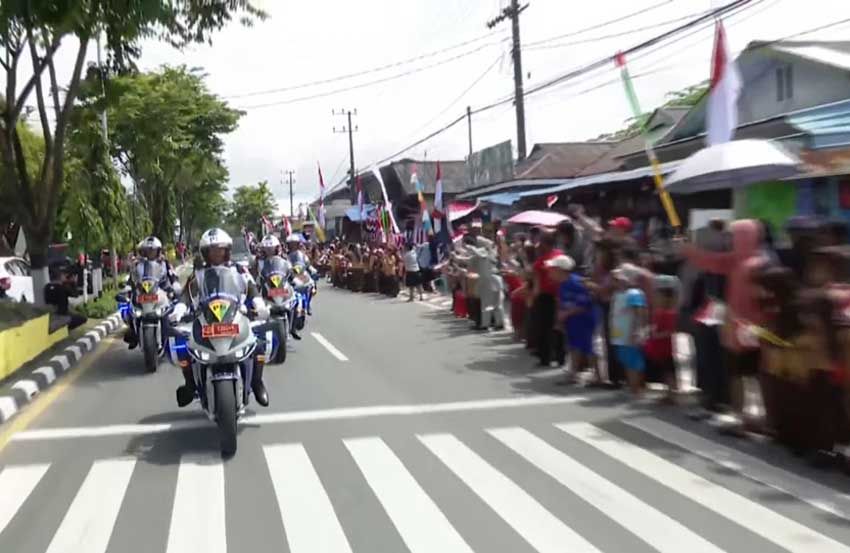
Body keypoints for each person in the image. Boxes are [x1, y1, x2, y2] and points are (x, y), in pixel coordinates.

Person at [680, 219, 770, 435]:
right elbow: (709, 261)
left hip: (752, 330)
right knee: (742, 374)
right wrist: (689, 249)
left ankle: (757, 418)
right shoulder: (740, 261)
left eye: (734, 236)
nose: (729, 240)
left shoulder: (756, 264)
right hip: (741, 329)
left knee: (752, 374)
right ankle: (745, 418)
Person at [171, 228, 270, 408]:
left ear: (227, 251)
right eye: (212, 250)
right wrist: (179, 310)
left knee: (259, 343)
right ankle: (190, 384)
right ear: (205, 253)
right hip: (205, 319)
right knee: (182, 347)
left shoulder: (239, 270)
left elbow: (252, 287)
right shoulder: (198, 274)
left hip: (234, 316)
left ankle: (257, 382)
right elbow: (187, 294)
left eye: (220, 249)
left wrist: (259, 305)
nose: (217, 253)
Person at [551, 254, 600, 386]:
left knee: (589, 347)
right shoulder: (562, 285)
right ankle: (573, 374)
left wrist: (566, 314)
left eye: (553, 269)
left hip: (584, 320)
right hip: (572, 321)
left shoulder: (577, 283)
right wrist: (560, 320)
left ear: (561, 270)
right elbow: (562, 303)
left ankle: (598, 376)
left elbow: (584, 304)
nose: (550, 272)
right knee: (573, 347)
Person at [123, 236, 177, 349]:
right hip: (142, 293)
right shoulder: (137, 264)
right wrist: (127, 287)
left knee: (170, 311)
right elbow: (132, 278)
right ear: (143, 251)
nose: (150, 253)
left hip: (161, 291)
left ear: (158, 251)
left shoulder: (164, 263)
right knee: (130, 311)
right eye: (147, 250)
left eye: (153, 250)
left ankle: (168, 332)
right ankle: (133, 334)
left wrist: (174, 286)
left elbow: (172, 275)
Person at [610, 264, 649, 396]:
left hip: (630, 333)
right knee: (625, 358)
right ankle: (631, 385)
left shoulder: (634, 294)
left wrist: (637, 330)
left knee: (633, 361)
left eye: (619, 278)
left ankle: (636, 388)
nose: (616, 281)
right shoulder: (617, 294)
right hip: (619, 332)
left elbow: (639, 313)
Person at [531, 232, 565, 367]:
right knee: (558, 326)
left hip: (546, 297)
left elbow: (537, 284)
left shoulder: (540, 262)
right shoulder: (560, 255)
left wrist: (534, 297)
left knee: (545, 327)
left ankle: (545, 357)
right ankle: (560, 357)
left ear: (545, 243)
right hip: (561, 295)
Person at [645, 275, 680, 403]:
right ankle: (668, 393)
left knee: (668, 371)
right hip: (658, 348)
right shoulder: (658, 312)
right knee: (664, 372)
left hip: (665, 348)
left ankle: (672, 394)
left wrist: (656, 335)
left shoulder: (669, 313)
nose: (656, 299)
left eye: (659, 296)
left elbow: (670, 331)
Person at [44, 265, 88, 331]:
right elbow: (75, 295)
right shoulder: (63, 287)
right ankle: (64, 329)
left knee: (74, 314)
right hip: (61, 315)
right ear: (60, 276)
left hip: (51, 314)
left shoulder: (47, 287)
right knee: (82, 318)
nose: (66, 276)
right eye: (64, 275)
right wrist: (73, 282)